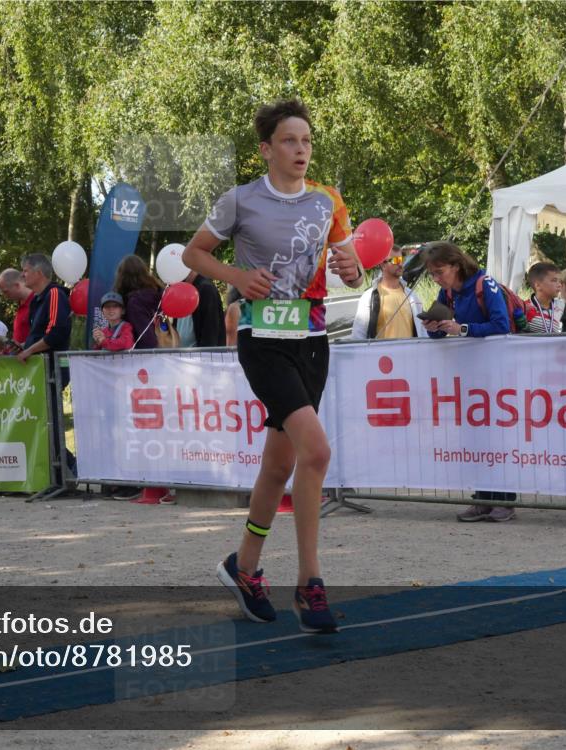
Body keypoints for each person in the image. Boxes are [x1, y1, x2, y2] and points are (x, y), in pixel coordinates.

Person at [181, 99, 365, 633]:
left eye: (306, 140)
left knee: (280, 466)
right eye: (289, 140)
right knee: (318, 450)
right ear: (266, 149)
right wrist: (236, 277)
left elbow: (350, 273)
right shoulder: (240, 200)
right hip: (263, 339)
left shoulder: (328, 201)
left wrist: (353, 268)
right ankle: (310, 584)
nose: (301, 149)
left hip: (312, 339)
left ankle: (243, 566)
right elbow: (194, 255)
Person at [421, 241, 517, 523]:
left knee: (497, 437)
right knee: (475, 437)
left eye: (440, 272)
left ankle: (504, 501)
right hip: (469, 376)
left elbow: (501, 325)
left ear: (455, 265)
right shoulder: (447, 291)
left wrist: (461, 329)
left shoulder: (484, 283)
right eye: (433, 275)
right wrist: (434, 327)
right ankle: (483, 498)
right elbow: (440, 334)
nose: (437, 279)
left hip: (496, 373)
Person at [17, 253, 75, 478]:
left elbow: (56, 333)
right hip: (40, 368)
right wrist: (22, 346)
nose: (23, 275)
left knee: (50, 421)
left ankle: (69, 469)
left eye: (26, 270)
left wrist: (29, 350)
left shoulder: (53, 294)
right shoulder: (38, 299)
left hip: (52, 367)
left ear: (39, 273)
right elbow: (39, 334)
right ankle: (58, 472)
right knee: (44, 421)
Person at [350, 244, 428, 340]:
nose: (400, 264)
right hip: (382, 355)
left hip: (410, 354)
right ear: (383, 264)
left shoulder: (412, 296)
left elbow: (422, 331)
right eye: (395, 260)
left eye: (401, 260)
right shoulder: (369, 297)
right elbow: (358, 335)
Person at [114, 254, 163, 349]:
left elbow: (147, 338)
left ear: (122, 277)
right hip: (163, 352)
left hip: (142, 359)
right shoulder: (157, 294)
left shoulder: (135, 302)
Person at [175, 272, 226, 348]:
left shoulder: (206, 289)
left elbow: (210, 334)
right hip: (181, 356)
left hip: (199, 357)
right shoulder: (182, 289)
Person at [524, 261, 566, 334]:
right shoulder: (525, 307)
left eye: (560, 281)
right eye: (554, 280)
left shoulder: (562, 306)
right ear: (538, 285)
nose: (559, 285)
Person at [0, 268, 34, 347]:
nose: (5, 296)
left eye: (5, 292)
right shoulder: (21, 305)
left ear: (17, 285)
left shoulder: (37, 302)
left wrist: (23, 347)